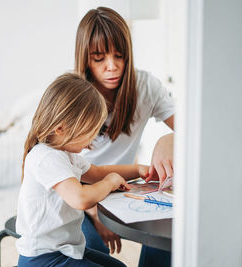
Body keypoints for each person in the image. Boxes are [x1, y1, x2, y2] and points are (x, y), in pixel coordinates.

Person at [16, 73, 151, 267]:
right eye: (90, 130)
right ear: (60, 129)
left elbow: (98, 172)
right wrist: (110, 182)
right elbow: (80, 198)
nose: (93, 137)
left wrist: (138, 170)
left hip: (65, 250)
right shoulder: (45, 157)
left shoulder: (65, 155)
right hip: (43, 259)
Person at [74, 7, 175, 266]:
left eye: (119, 55)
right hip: (74, 192)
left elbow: (195, 131)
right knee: (94, 252)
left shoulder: (146, 86)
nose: (112, 66)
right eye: (99, 59)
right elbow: (61, 169)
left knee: (168, 235)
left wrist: (167, 140)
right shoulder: (73, 96)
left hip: (121, 185)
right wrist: (95, 213)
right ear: (85, 59)